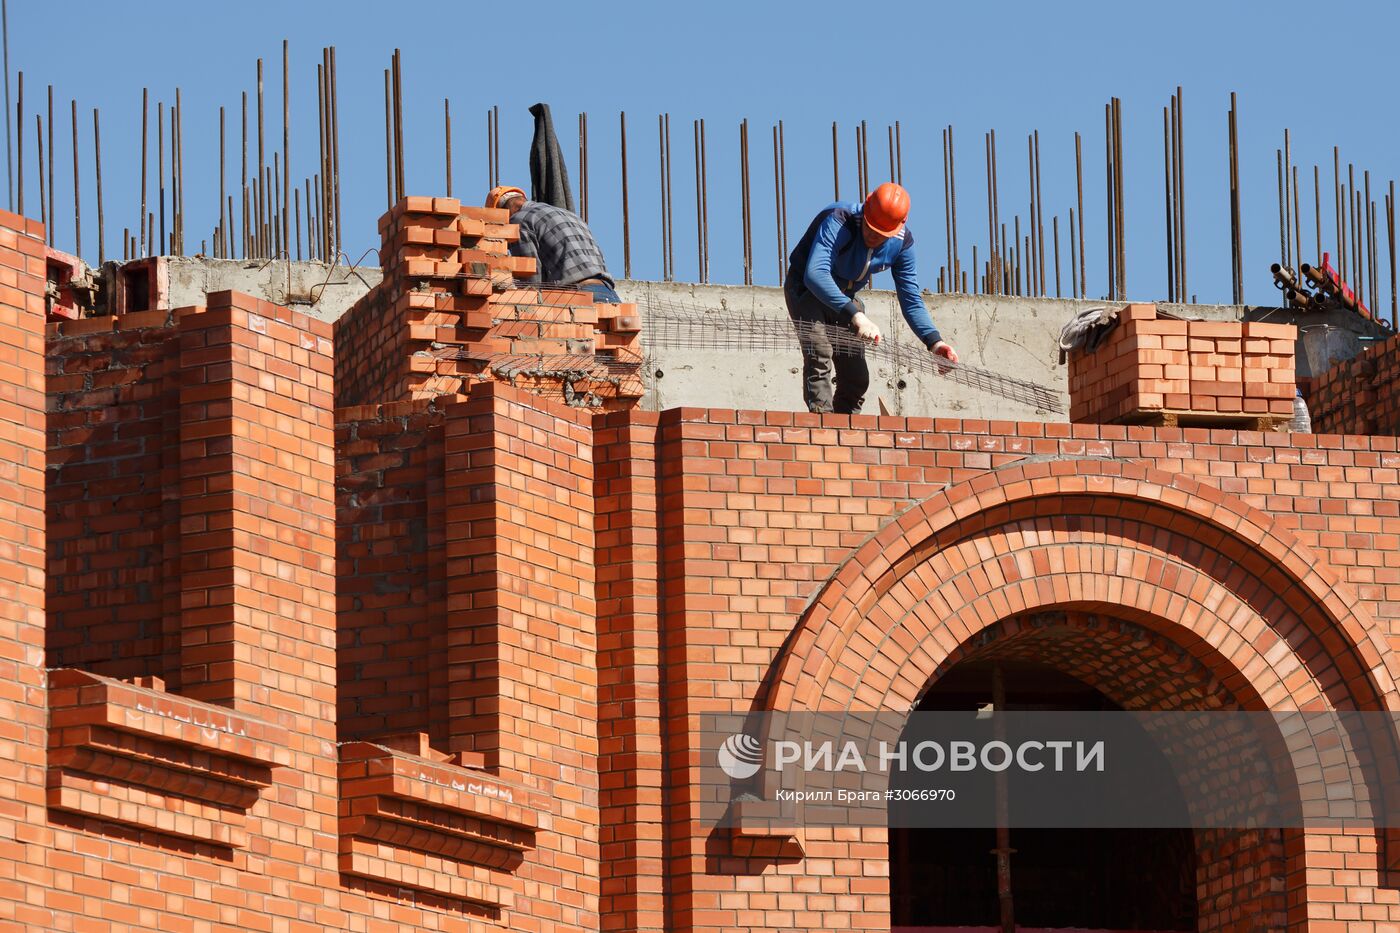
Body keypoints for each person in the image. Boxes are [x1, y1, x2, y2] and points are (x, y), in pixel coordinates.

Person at [784, 183, 958, 414]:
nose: (872, 236)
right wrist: (856, 315)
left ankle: (847, 431)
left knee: (856, 377)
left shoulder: (903, 245)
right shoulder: (840, 219)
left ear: (898, 227)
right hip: (806, 291)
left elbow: (911, 299)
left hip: (844, 298)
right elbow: (815, 274)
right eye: (869, 227)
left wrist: (935, 342)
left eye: (881, 234)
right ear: (865, 208)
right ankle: (823, 428)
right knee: (819, 354)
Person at [484, 185, 621, 303]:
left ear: (503, 212)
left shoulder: (518, 220)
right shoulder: (568, 214)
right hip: (607, 292)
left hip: (575, 296)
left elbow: (530, 282)